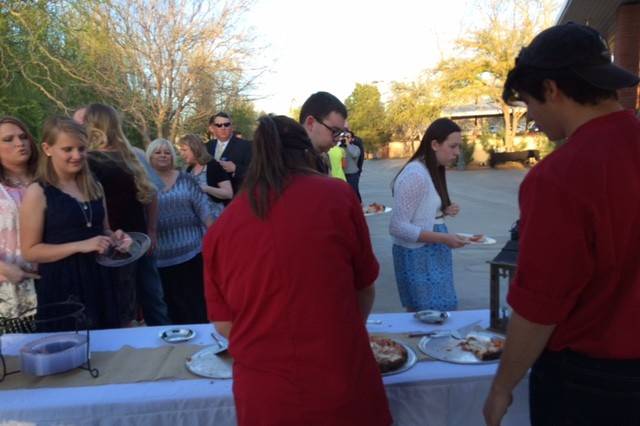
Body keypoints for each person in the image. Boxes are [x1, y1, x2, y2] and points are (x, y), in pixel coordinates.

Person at [483, 23, 640, 426]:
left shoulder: (561, 176)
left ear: (551, 89)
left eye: (527, 103)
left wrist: (503, 385)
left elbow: (541, 305)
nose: (531, 118)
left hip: (591, 385)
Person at [203, 115, 392, 426]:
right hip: (341, 377)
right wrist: (338, 334)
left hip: (265, 393)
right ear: (308, 153)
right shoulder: (338, 196)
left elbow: (224, 324)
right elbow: (364, 287)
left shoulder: (221, 228)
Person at [20, 117, 129, 330]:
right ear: (47, 149)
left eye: (81, 148)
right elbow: (30, 251)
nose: (76, 156)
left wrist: (116, 239)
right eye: (67, 149)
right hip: (62, 287)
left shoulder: (95, 186)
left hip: (101, 280)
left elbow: (104, 229)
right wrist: (80, 245)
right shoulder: (38, 192)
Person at [84, 103, 170, 326]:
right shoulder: (96, 158)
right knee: (143, 299)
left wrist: (150, 231)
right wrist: (150, 231)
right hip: (123, 238)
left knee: (138, 300)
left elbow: (151, 194)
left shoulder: (98, 159)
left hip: (124, 240)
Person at [389, 118, 468, 312]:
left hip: (430, 252)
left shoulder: (430, 169)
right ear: (434, 144)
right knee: (431, 317)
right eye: (453, 146)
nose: (457, 152)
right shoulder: (415, 175)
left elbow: (419, 213)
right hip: (420, 256)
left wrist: (442, 211)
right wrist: (443, 238)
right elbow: (397, 227)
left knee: (438, 316)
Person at [147, 138, 214, 324]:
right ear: (149, 156)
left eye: (167, 152)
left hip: (191, 254)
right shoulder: (143, 182)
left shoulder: (186, 179)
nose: (162, 155)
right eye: (157, 152)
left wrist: (216, 238)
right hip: (159, 257)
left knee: (196, 305)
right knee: (169, 308)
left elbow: (204, 210)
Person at [0, 117, 40, 321]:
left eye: (23, 137)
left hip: (53, 278)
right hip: (9, 286)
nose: (19, 143)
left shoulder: (49, 179)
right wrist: (5, 269)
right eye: (8, 139)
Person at [177, 134, 232, 217]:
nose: (182, 154)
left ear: (195, 149)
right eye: (180, 151)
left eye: (184, 150)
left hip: (215, 220)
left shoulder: (212, 166)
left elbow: (228, 193)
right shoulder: (188, 170)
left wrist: (206, 188)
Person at [299, 91, 348, 173]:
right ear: (310, 123)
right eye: (334, 131)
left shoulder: (319, 161)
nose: (338, 139)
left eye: (340, 133)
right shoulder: (283, 164)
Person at [206, 112, 252, 196]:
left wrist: (236, 168)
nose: (223, 128)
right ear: (212, 128)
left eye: (226, 124)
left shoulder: (246, 146)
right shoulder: (207, 146)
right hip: (210, 199)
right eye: (219, 125)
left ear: (232, 127)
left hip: (235, 198)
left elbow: (255, 172)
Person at [342, 130, 362, 200]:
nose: (346, 138)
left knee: (353, 194)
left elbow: (354, 155)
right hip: (342, 175)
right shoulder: (340, 148)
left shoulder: (356, 148)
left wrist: (347, 144)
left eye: (348, 137)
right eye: (344, 136)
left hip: (352, 175)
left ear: (352, 139)